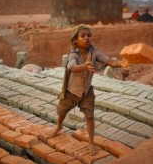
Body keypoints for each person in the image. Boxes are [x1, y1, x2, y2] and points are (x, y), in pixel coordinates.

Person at [49, 24, 129, 155]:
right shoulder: (73, 54)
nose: (87, 38)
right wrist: (84, 66)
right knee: (62, 111)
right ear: (75, 40)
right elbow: (72, 67)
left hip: (87, 92)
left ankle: (91, 142)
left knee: (90, 117)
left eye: (89, 36)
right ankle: (58, 126)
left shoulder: (94, 52)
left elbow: (109, 61)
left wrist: (121, 63)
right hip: (71, 92)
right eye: (83, 36)